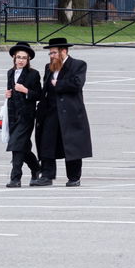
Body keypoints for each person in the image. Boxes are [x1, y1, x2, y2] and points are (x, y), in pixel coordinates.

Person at [35, 38, 90, 187]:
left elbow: (77, 84)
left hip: (70, 113)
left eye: (54, 52)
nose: (51, 55)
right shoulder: (49, 67)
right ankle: (47, 175)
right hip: (51, 112)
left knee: (71, 145)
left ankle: (74, 177)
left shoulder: (78, 65)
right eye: (50, 53)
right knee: (47, 142)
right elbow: (45, 89)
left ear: (64, 51)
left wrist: (58, 84)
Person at [3, 43, 42, 187]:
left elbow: (38, 95)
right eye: (18, 57)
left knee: (16, 145)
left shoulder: (33, 74)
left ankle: (15, 178)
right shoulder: (10, 73)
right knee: (23, 147)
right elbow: (10, 92)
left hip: (26, 117)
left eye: (24, 58)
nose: (21, 60)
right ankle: (36, 168)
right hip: (13, 116)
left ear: (28, 60)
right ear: (14, 58)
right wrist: (8, 94)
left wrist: (25, 90)